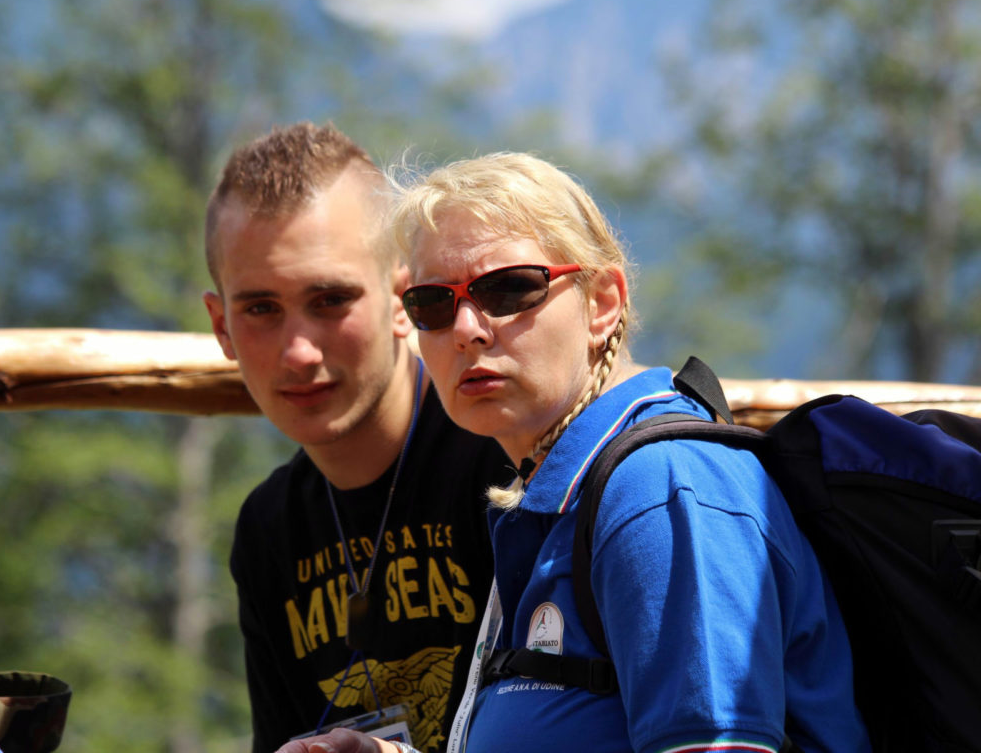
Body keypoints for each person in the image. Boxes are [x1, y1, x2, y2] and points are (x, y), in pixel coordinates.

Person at [278, 152, 869, 753]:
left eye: (509, 288)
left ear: (602, 303)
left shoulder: (661, 491)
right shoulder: (561, 491)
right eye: (432, 302)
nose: (467, 329)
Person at [203, 123, 509, 753]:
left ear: (402, 299)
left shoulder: (505, 461)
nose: (298, 351)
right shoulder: (268, 528)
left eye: (331, 299)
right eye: (260, 309)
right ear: (221, 327)